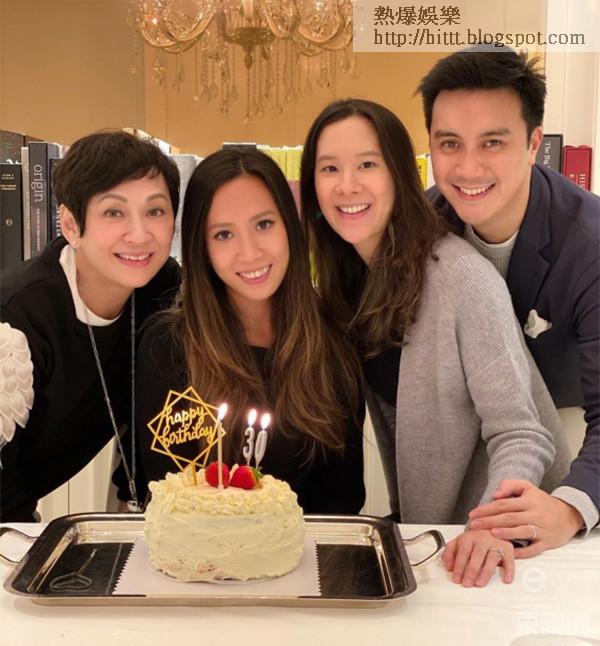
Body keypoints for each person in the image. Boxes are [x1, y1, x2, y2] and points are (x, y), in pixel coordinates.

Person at [300, 98, 571, 587]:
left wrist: (488, 528)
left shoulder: (461, 278)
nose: (347, 185)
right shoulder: (349, 286)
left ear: (400, 175)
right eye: (329, 168)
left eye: (368, 164)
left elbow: (522, 433)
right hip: (438, 544)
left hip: (511, 553)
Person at [418, 48, 600, 555]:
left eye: (493, 142)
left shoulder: (589, 244)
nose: (468, 167)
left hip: (570, 455)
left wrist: (570, 508)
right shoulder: (420, 229)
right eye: (449, 143)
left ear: (534, 143)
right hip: (454, 484)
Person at [135, 148, 365, 514]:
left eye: (263, 224)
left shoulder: (334, 343)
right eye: (224, 234)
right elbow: (168, 495)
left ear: (290, 226)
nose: (250, 252)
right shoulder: (167, 347)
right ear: (201, 247)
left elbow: (343, 504)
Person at [0, 131, 181, 521]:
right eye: (114, 212)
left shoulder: (164, 288)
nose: (139, 234)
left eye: (155, 211)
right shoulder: (15, 321)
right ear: (70, 225)